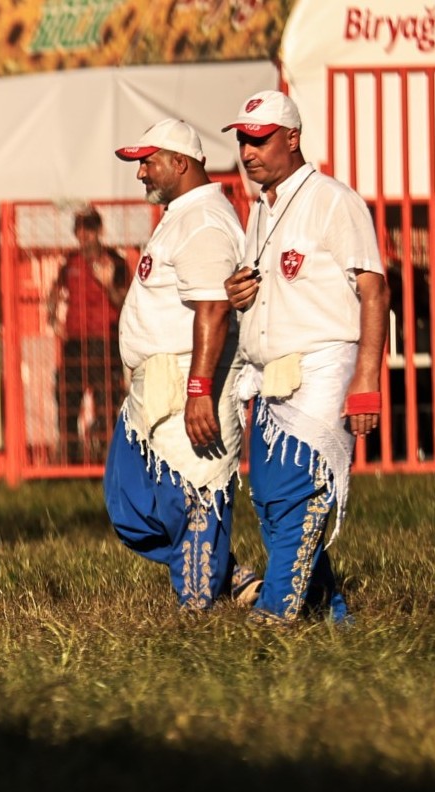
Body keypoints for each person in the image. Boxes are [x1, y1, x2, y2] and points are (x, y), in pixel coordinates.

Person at [221, 91, 389, 625]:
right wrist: (237, 291)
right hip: (271, 372)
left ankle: (277, 612)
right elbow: (265, 286)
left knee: (298, 486)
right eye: (243, 140)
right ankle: (333, 612)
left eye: (260, 139)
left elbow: (374, 290)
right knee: (269, 500)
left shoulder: (334, 200)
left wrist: (366, 378)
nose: (249, 152)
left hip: (324, 365)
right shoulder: (261, 210)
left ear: (292, 138)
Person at [104, 118, 261, 610]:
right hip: (156, 385)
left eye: (148, 162)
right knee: (128, 504)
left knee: (194, 495)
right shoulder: (181, 214)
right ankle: (231, 573)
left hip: (187, 378)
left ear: (180, 163)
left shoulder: (204, 220)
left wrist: (199, 391)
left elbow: (213, 307)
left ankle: (196, 615)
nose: (141, 173)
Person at [48, 206, 129, 463]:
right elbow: (54, 292)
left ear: (99, 231)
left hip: (104, 342)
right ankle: (70, 465)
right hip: (74, 343)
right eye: (80, 229)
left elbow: (125, 301)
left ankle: (104, 464)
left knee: (106, 405)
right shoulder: (70, 261)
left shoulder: (114, 261)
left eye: (89, 228)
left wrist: (106, 284)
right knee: (67, 403)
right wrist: (52, 317)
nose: (84, 234)